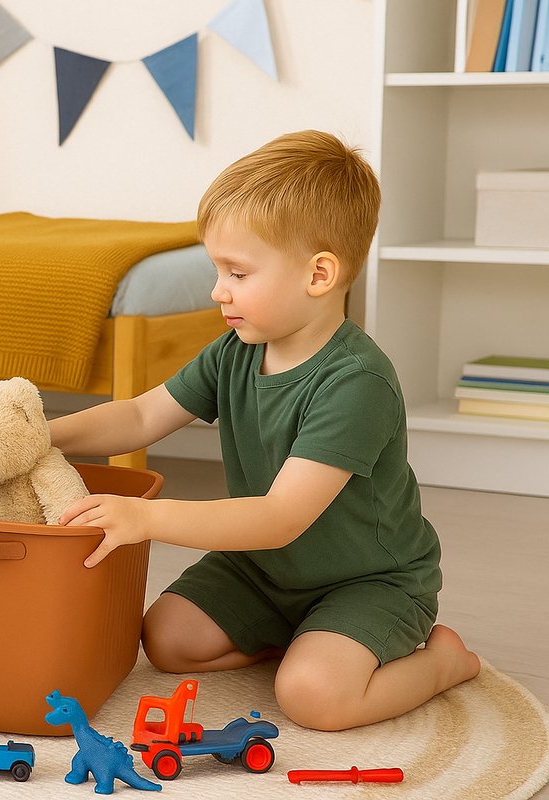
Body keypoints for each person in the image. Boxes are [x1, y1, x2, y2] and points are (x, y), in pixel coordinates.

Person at [48, 130, 480, 731]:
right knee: (167, 639)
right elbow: (143, 416)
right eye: (216, 268)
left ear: (318, 275)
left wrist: (143, 517)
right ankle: (302, 638)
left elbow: (281, 516)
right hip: (265, 566)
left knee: (314, 699)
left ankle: (440, 663)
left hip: (367, 578)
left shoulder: (357, 382)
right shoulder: (235, 350)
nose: (216, 290)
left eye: (237, 272)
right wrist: (44, 437)